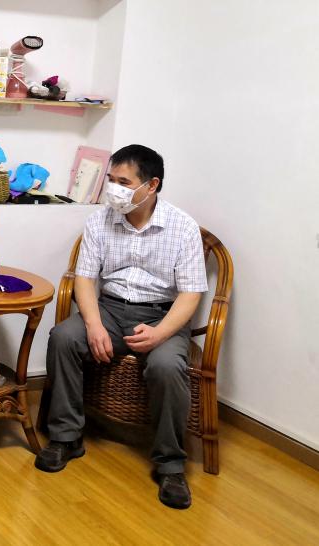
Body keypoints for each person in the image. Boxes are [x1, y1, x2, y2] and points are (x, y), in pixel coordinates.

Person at [35, 144, 208, 509]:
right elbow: (85, 279)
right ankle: (66, 437)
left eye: (124, 182)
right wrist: (94, 324)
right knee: (63, 338)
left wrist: (161, 333)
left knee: (167, 366)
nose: (114, 189)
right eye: (111, 180)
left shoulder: (183, 227)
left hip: (162, 314)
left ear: (152, 185)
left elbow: (190, 294)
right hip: (111, 308)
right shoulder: (100, 221)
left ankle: (170, 465)